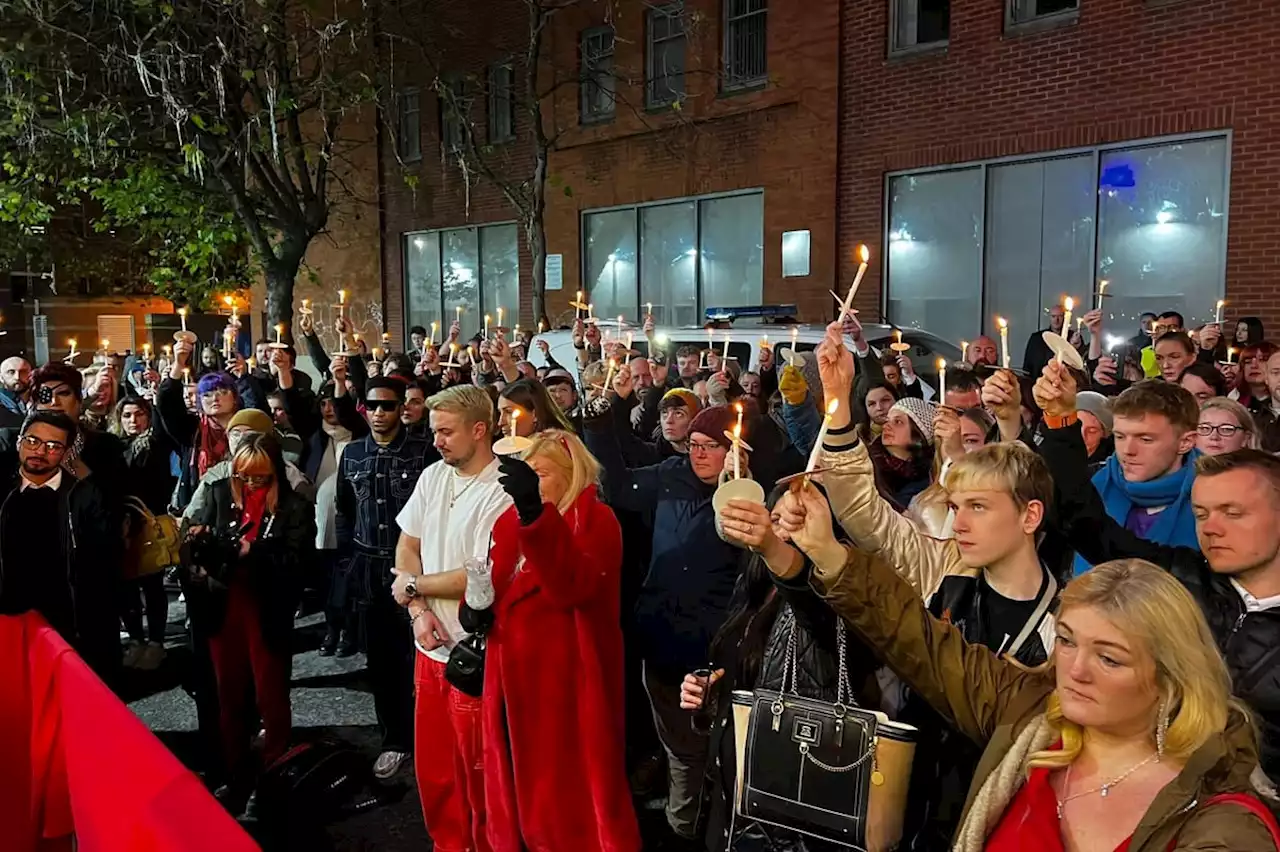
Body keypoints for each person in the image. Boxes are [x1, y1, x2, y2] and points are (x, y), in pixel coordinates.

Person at [775, 481, 1280, 850]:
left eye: (1109, 657)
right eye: (1065, 641)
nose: (1075, 670)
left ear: (1171, 673)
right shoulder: (1034, 713)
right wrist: (828, 553)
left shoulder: (1222, 824)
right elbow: (922, 643)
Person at [1034, 366, 1280, 792]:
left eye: (1233, 513)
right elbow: (1086, 524)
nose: (1211, 528)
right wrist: (1059, 421)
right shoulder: (1181, 577)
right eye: (1202, 514)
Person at [678, 484, 882, 852]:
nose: (784, 532)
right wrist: (710, 695)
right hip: (738, 795)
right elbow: (746, 676)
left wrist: (776, 552)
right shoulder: (753, 587)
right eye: (776, 520)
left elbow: (813, 613)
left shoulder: (837, 599)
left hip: (791, 813)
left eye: (798, 520)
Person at [582, 398, 747, 845]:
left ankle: (721, 827)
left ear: (735, 450)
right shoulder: (672, 475)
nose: (698, 454)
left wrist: (741, 485)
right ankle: (683, 828)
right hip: (661, 636)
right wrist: (599, 423)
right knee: (680, 748)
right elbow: (616, 487)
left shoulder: (751, 496)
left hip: (716, 648)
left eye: (711, 446)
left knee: (722, 749)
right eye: (693, 444)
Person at [477, 434, 641, 852]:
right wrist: (474, 607)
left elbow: (573, 586)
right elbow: (492, 581)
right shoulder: (508, 522)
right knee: (514, 778)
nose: (528, 483)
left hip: (566, 686)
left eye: (540, 474)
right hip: (510, 679)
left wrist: (534, 514)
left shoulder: (597, 521)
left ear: (570, 477)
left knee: (564, 796)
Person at [391, 385, 512, 851]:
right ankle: (447, 843)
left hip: (473, 651)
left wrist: (412, 587)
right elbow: (408, 544)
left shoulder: (502, 488)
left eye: (445, 431)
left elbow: (480, 574)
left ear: (479, 430)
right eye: (433, 430)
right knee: (436, 768)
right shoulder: (433, 476)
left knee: (478, 769)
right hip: (429, 644)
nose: (435, 440)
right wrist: (418, 610)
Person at [186, 432, 315, 817]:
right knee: (228, 697)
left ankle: (273, 773)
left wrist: (253, 551)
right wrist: (197, 541)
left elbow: (299, 564)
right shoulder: (217, 494)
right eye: (244, 476)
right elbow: (192, 543)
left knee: (271, 697)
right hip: (222, 606)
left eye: (260, 477)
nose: (251, 484)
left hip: (266, 609)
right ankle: (235, 774)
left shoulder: (294, 506)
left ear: (275, 472)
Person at [335, 377, 437, 781]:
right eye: (372, 406)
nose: (379, 413)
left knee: (424, 656)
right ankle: (394, 739)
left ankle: (428, 737)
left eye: (388, 406)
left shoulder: (424, 453)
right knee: (381, 662)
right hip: (368, 568)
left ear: (402, 409)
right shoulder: (353, 452)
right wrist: (347, 562)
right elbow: (344, 511)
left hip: (416, 568)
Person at [0, 411, 122, 682]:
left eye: (53, 446)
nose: (40, 451)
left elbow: (104, 560)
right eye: (32, 441)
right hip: (8, 617)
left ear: (67, 453)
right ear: (19, 441)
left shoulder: (84, 495)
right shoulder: (4, 492)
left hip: (66, 617)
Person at [1073, 379, 1201, 574]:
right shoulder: (1095, 483)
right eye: (1120, 436)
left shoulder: (1214, 497)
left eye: (1145, 439)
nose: (1127, 450)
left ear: (1185, 442)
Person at [112, 395, 177, 670]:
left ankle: (156, 642)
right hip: (120, 525)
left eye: (138, 414)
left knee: (152, 586)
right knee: (126, 587)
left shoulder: (154, 444)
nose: (132, 421)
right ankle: (137, 639)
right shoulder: (114, 446)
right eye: (126, 415)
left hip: (148, 522)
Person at [158, 340, 259, 512]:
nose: (215, 398)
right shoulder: (193, 430)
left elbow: (258, 408)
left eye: (222, 392)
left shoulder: (246, 427)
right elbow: (167, 405)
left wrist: (243, 377)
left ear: (235, 397)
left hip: (246, 502)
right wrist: (178, 364)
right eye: (207, 395)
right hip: (201, 507)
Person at [871, 396, 936, 511]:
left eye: (898, 422)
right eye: (887, 420)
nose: (886, 426)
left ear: (918, 437)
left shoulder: (926, 479)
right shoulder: (869, 465)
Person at [497, 378, 575, 435]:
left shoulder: (550, 450)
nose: (500, 422)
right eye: (500, 412)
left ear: (535, 414)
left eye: (509, 412)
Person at [1023, 303, 1067, 379]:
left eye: (1060, 316)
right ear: (1050, 318)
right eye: (1053, 316)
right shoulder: (1036, 338)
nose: (1057, 320)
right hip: (1037, 381)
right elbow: (1028, 364)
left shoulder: (1072, 338)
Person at [0, 355, 31, 429]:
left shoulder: (41, 400)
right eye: (11, 372)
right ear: (1, 377)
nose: (17, 377)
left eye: (23, 372)